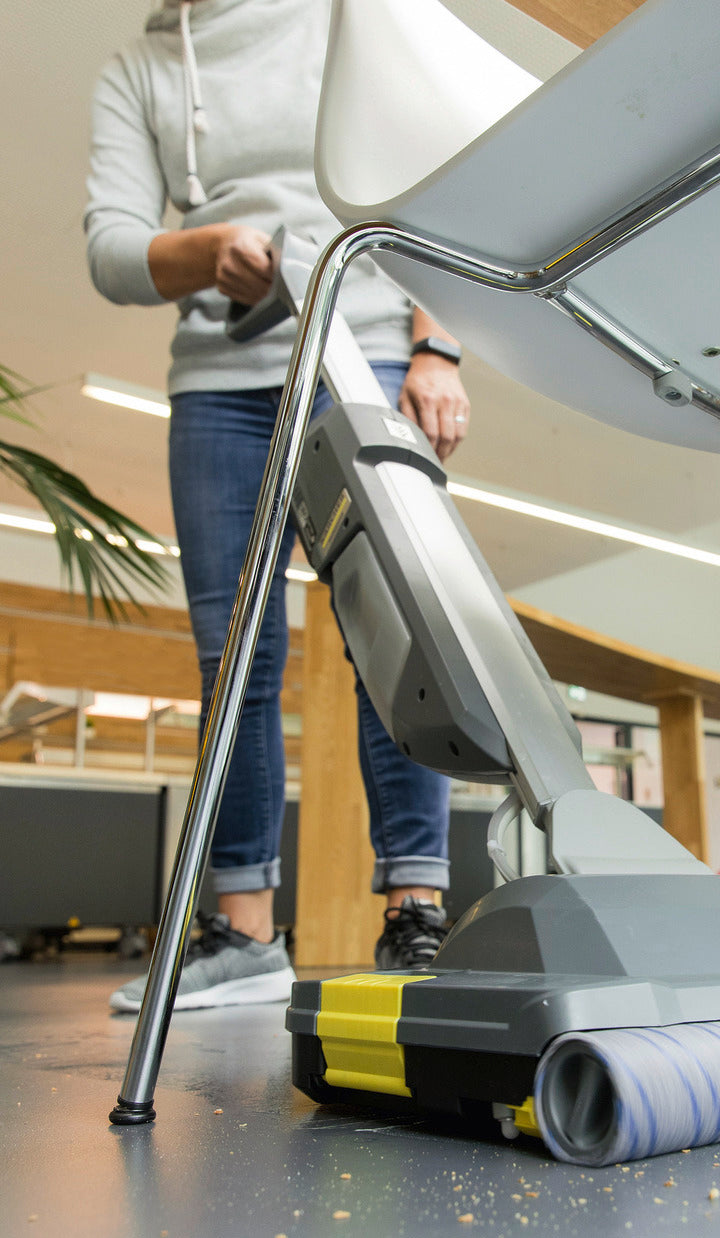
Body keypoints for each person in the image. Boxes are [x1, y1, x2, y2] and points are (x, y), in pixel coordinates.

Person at [85, 0, 470, 1011]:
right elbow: (112, 248)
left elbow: (434, 167)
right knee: (233, 656)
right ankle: (244, 932)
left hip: (358, 344)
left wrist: (437, 345)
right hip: (216, 381)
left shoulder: (350, 11)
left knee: (395, 631)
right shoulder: (141, 67)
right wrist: (202, 250)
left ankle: (417, 911)